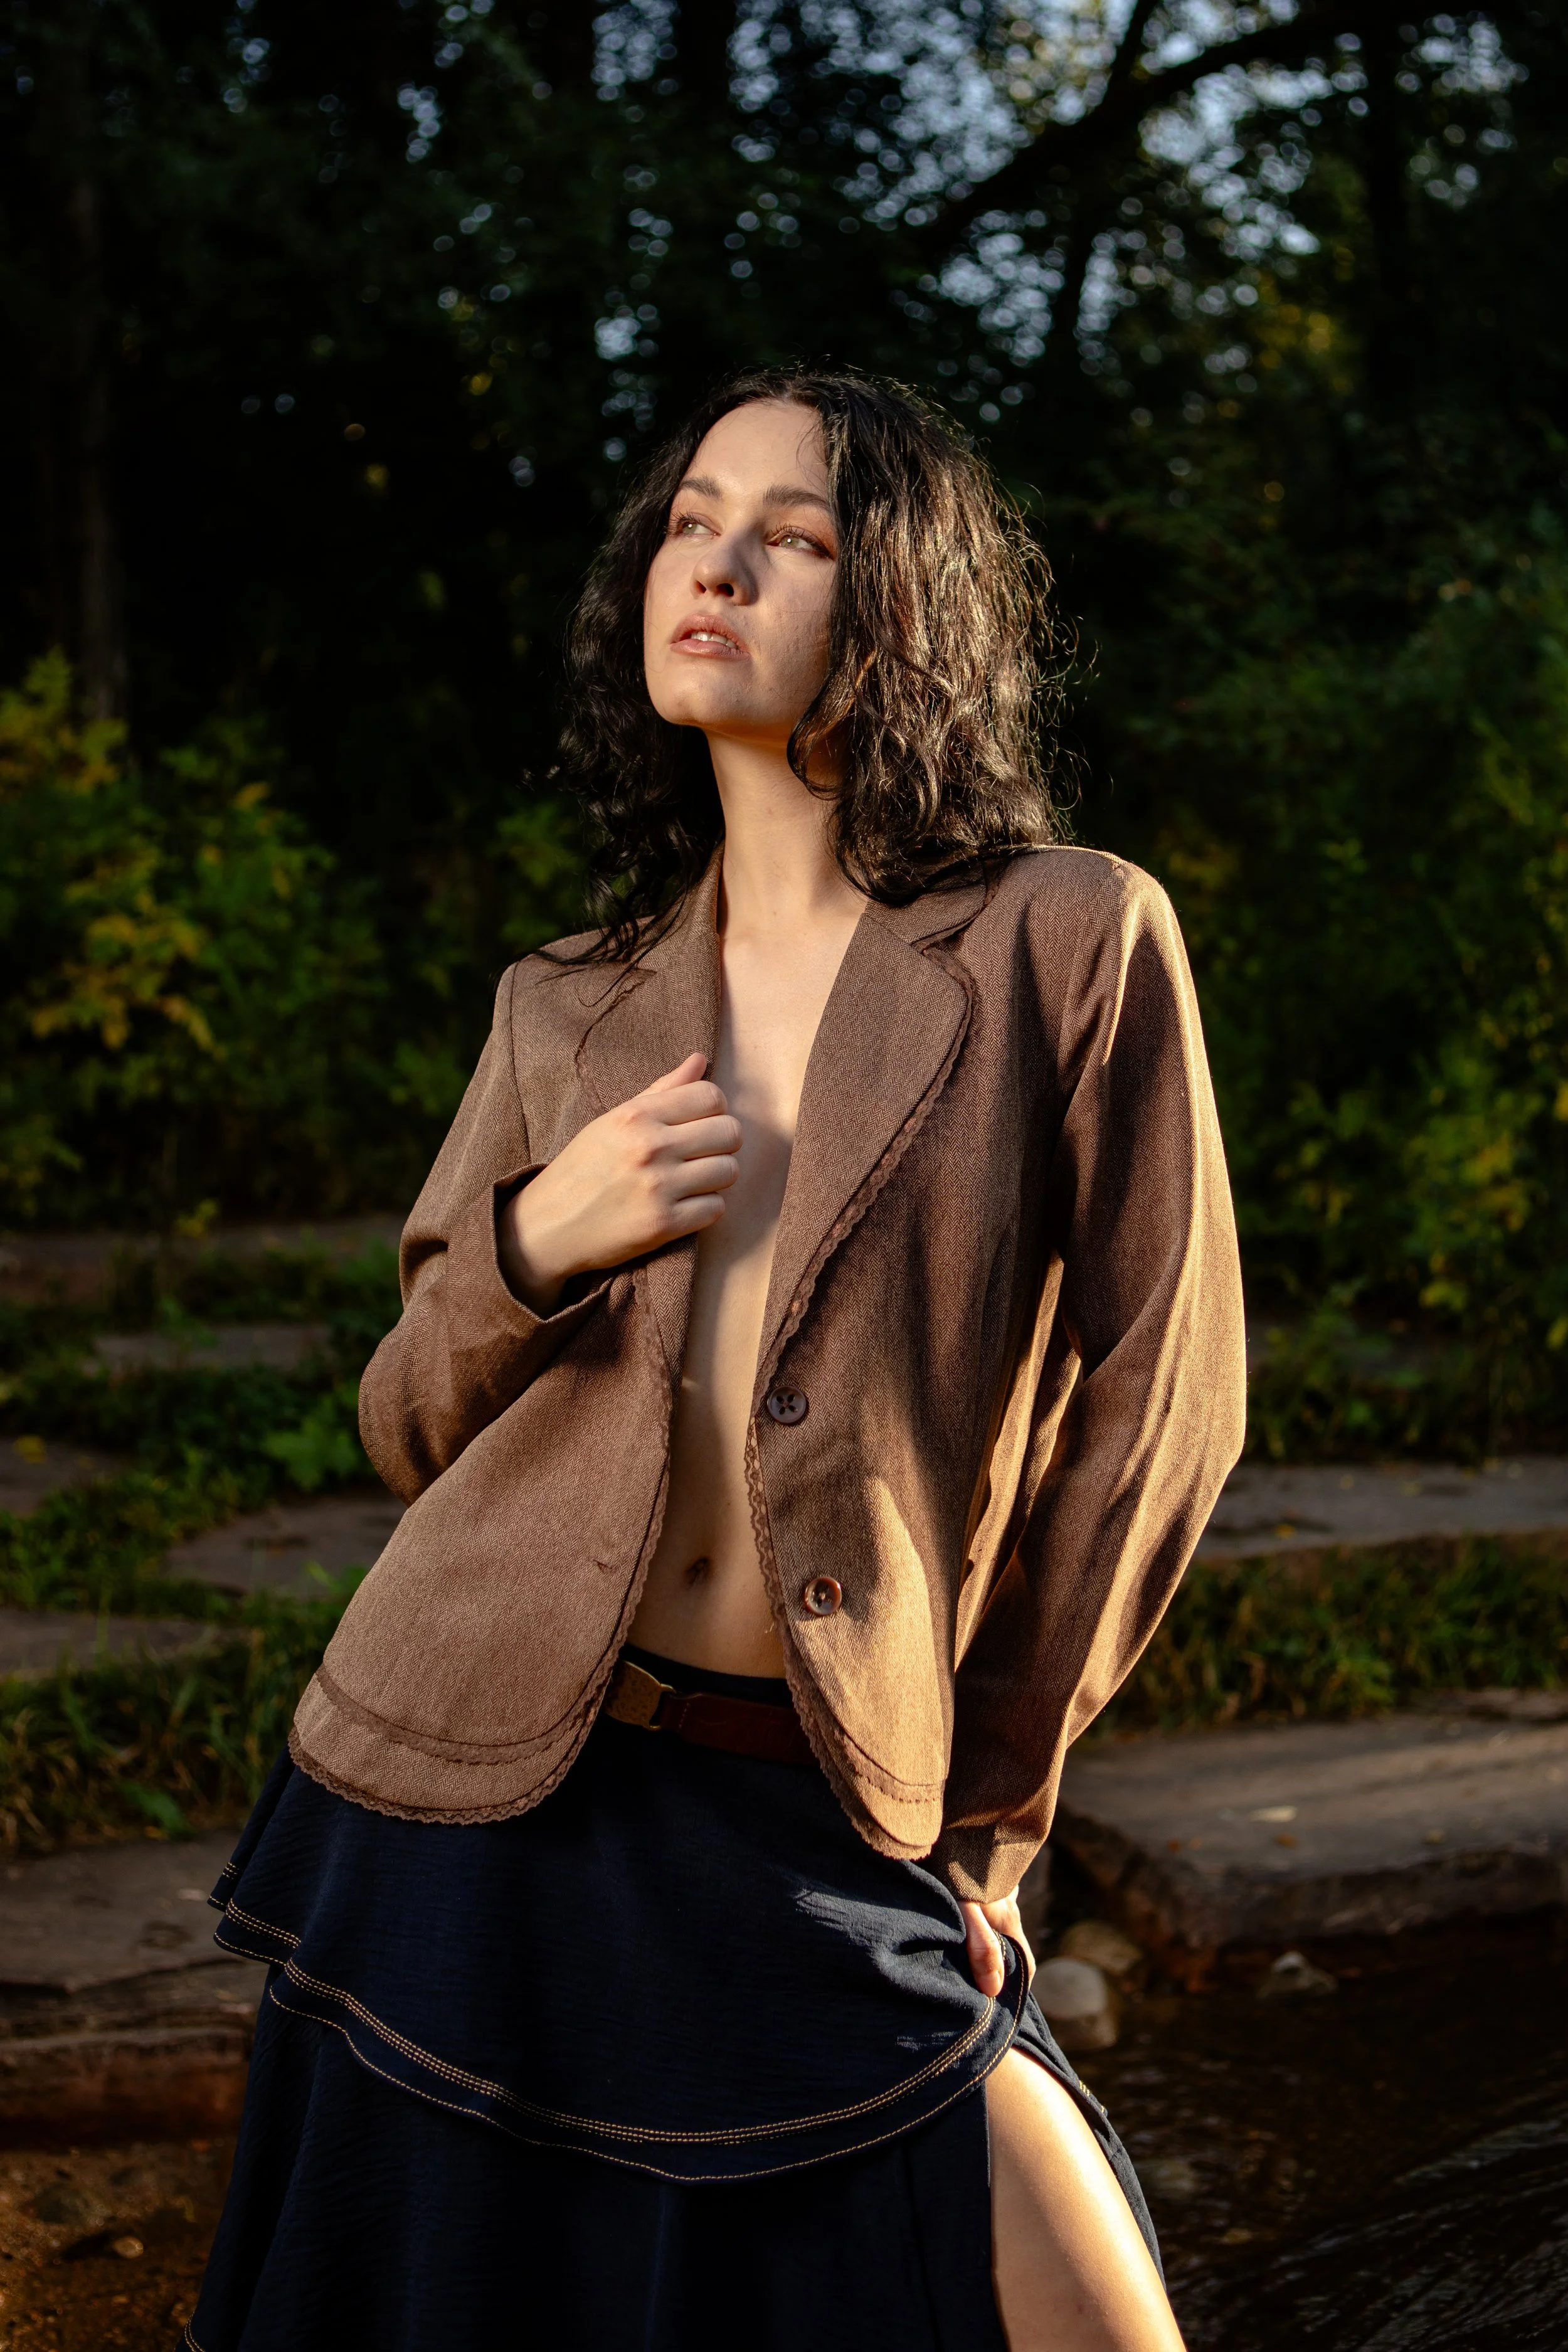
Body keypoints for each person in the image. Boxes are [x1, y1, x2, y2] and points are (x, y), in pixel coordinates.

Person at [184, 369, 1245, 2352]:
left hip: (815, 1804)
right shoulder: (565, 1007)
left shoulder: (1062, 942)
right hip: (471, 1791)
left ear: (901, 603)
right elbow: (408, 1418)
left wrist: (992, 1814)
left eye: (799, 532)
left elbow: (1164, 1405)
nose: (718, 560)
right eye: (693, 517)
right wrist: (536, 1238)